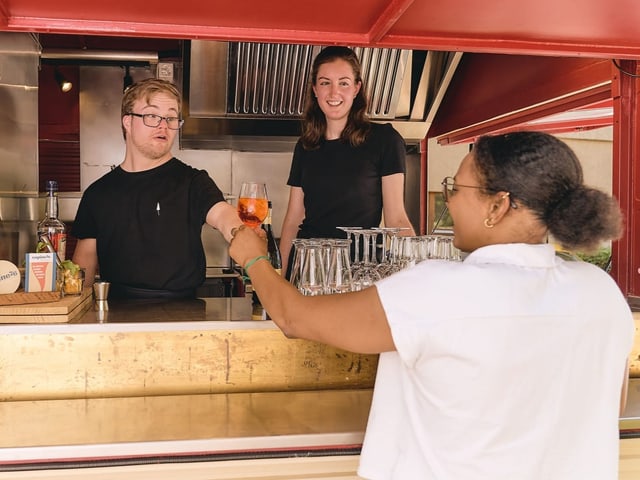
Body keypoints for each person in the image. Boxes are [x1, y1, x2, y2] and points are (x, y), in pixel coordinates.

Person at [229, 131, 635, 479]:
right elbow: (607, 405)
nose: (449, 200)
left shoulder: (438, 290)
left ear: (498, 204)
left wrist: (254, 259)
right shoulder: (599, 290)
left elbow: (294, 317)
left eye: (457, 189)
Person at [72, 78, 243, 299]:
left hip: (184, 314)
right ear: (128, 122)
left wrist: (242, 232)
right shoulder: (98, 193)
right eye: (152, 116)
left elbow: (223, 216)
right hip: (116, 316)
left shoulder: (193, 182)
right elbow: (82, 270)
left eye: (171, 118)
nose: (163, 125)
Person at [279, 46, 415, 277]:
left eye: (343, 83)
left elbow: (396, 218)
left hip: (360, 272)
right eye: (325, 83)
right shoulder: (305, 146)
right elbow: (293, 220)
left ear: (356, 88)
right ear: (314, 89)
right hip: (309, 269)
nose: (334, 93)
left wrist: (416, 274)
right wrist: (282, 279)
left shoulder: (385, 140)